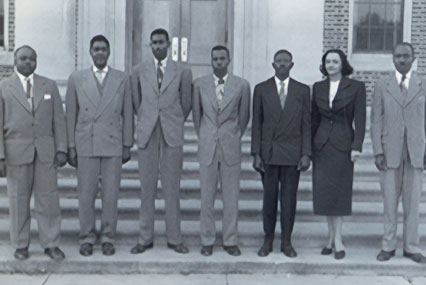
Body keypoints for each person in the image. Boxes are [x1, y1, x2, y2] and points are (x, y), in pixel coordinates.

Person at [65, 35, 133, 256]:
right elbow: (71, 115)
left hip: (112, 143)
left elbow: (128, 114)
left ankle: (107, 237)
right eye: (96, 49)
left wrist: (127, 144)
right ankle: (86, 236)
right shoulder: (77, 78)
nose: (100, 53)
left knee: (110, 194)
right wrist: (71, 146)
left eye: (104, 49)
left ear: (110, 52)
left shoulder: (122, 79)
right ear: (90, 52)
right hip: (86, 142)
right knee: (86, 194)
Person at [0, 45, 67, 260]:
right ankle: (21, 244)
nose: (28, 62)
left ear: (37, 61)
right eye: (23, 58)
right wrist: (0, 156)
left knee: (48, 199)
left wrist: (62, 148)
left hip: (45, 152)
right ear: (15, 61)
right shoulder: (4, 87)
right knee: (18, 199)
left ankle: (50, 243)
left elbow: (59, 120)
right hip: (16, 152)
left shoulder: (49, 86)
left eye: (32, 59)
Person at [130, 28, 192, 254]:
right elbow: (137, 102)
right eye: (154, 43)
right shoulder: (138, 71)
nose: (157, 46)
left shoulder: (182, 72)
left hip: (172, 133)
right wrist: (148, 118)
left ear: (168, 44)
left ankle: (174, 238)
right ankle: (144, 237)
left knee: (172, 188)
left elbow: (186, 104)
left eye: (161, 43)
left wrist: (172, 120)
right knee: (147, 189)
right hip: (147, 132)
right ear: (150, 45)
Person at [251, 49, 311, 258]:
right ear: (273, 64)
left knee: (289, 200)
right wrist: (256, 153)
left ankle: (286, 241)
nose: (282, 64)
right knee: (269, 200)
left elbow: (306, 124)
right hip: (269, 154)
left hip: (293, 154)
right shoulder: (261, 89)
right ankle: (268, 239)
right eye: (279, 61)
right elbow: (256, 124)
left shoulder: (302, 91)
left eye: (286, 61)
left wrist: (306, 154)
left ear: (292, 65)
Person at [192, 45, 250, 256]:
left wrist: (232, 135)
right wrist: (206, 135)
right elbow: (197, 118)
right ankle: (207, 240)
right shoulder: (199, 85)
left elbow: (243, 118)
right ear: (211, 61)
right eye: (215, 59)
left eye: (222, 58)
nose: (218, 62)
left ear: (229, 60)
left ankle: (230, 240)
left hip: (230, 145)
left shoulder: (242, 85)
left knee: (231, 196)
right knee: (206, 197)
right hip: (208, 145)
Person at [371, 42, 426, 263]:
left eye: (405, 56)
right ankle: (388, 245)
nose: (401, 60)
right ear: (392, 59)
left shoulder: (423, 83)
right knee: (390, 202)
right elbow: (376, 120)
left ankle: (412, 247)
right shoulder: (382, 85)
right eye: (397, 56)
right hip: (390, 151)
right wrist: (377, 151)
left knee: (413, 204)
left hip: (416, 151)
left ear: (414, 58)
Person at [311, 49, 366, 260]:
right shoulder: (318, 87)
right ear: (324, 65)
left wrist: (357, 146)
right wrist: (309, 148)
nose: (331, 65)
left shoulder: (356, 87)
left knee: (340, 194)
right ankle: (329, 238)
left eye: (335, 61)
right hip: (322, 146)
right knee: (325, 193)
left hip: (344, 145)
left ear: (342, 64)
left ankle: (339, 239)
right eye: (328, 62)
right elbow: (314, 119)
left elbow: (360, 119)